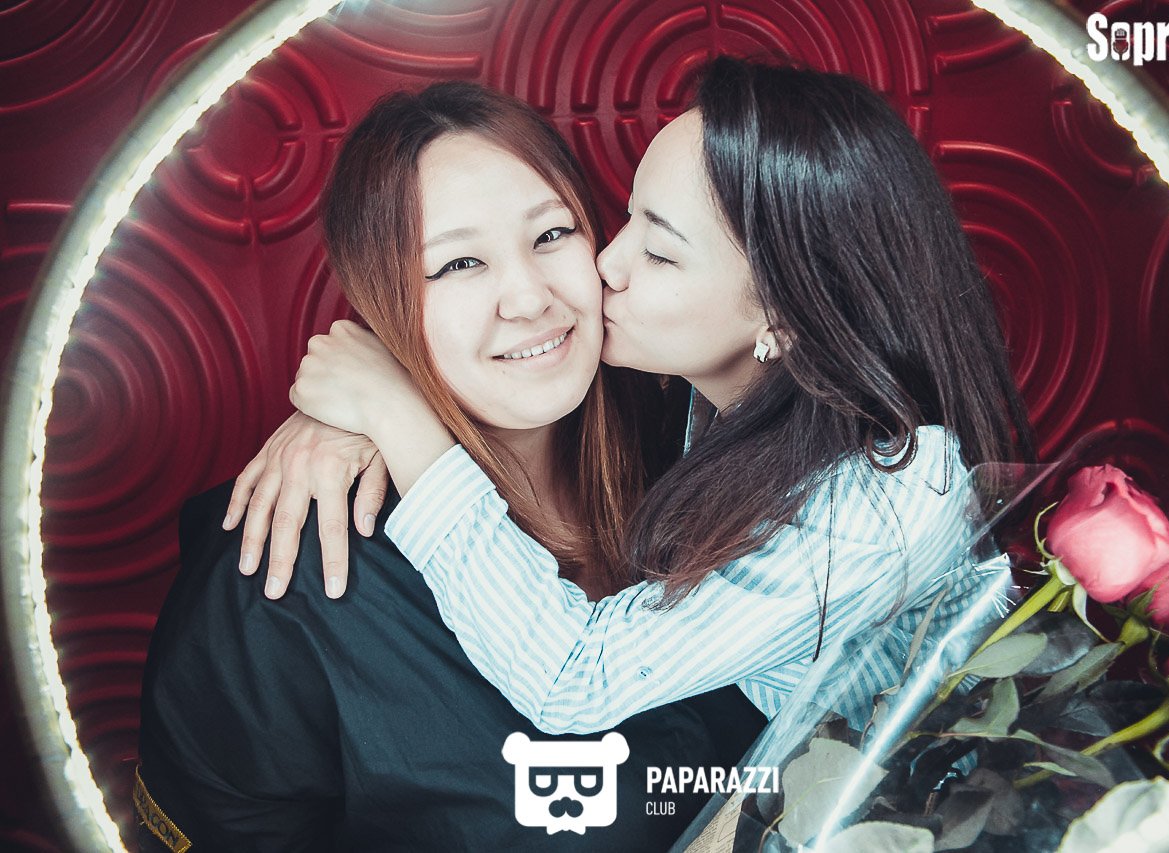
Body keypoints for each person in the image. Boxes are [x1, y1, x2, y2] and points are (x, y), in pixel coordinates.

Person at [234, 56, 1035, 737]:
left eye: (658, 251)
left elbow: (576, 680)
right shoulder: (700, 396)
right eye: (621, 222)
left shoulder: (886, 498)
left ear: (785, 316)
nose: (604, 266)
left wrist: (396, 416)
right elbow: (467, 322)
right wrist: (348, 404)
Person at [136, 82, 764, 852]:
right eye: (460, 262)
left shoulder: (693, 429)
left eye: (551, 234)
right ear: (384, 298)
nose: (528, 299)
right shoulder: (288, 566)